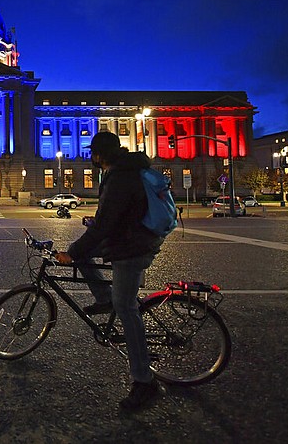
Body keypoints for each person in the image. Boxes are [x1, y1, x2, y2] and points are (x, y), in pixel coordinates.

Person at [54, 131, 166, 411]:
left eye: (93, 153)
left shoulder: (118, 177)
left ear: (100, 154)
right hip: (129, 237)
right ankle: (104, 299)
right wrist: (96, 225)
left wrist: (73, 251)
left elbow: (108, 224)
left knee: (126, 307)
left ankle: (145, 382)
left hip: (133, 245)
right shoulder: (124, 171)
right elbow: (116, 216)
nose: (91, 158)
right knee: (85, 257)